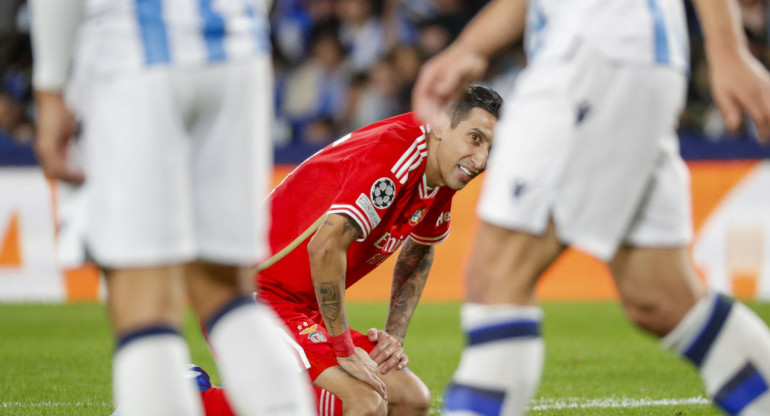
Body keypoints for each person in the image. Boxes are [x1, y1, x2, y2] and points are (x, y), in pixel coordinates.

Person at [412, 0, 770, 415]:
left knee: (497, 276)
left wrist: (728, 47)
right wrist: (469, 47)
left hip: (598, 48)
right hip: (625, 56)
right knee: (660, 297)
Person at [29, 1, 314, 415]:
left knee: (144, 306)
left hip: (134, 54)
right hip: (241, 54)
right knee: (227, 293)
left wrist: (50, 88)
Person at [196, 84, 503, 416]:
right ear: (442, 124)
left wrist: (393, 338)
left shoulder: (441, 169)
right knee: (364, 402)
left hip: (299, 306)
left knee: (410, 398)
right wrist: (343, 348)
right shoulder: (395, 154)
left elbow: (420, 251)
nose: (481, 160)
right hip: (247, 294)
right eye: (475, 138)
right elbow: (325, 248)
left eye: (490, 147)